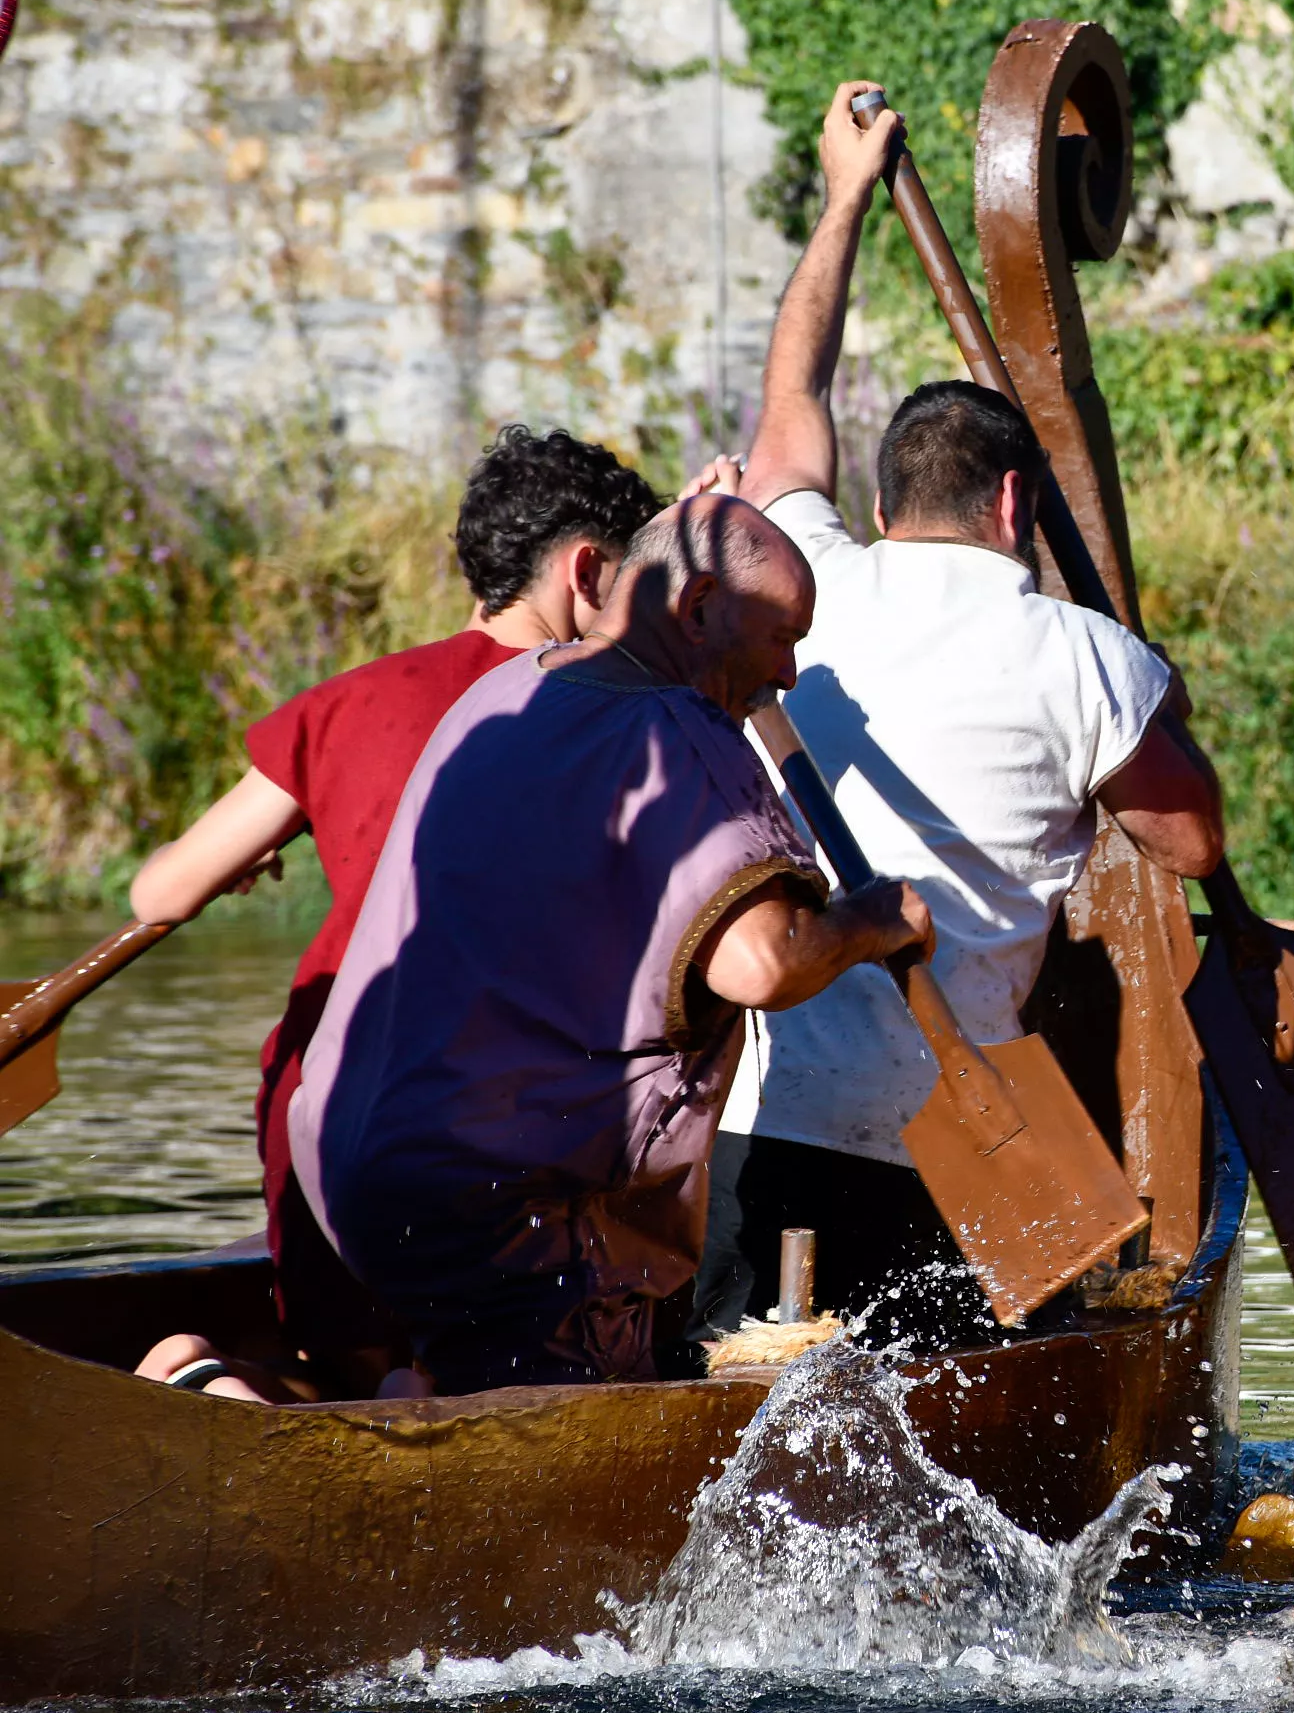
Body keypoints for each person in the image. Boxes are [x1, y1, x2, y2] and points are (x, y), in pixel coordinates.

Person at [692, 80, 1225, 1342]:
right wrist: (1158, 696)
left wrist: (842, 205)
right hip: (946, 1154)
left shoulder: (802, 587)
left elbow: (793, 405)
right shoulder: (1085, 655)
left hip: (757, 1138)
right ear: (1012, 509)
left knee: (752, 1445)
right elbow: (1194, 845)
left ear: (880, 512)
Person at [287, 493, 935, 1393]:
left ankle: (206, 1377)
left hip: (354, 1151)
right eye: (784, 634)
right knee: (562, 1449)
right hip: (501, 1194)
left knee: (462, 1381)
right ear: (700, 606)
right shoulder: (677, 729)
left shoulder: (510, 686)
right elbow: (763, 960)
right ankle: (215, 1385)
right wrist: (873, 922)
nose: (789, 674)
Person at [126, 429, 659, 1396]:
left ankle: (204, 1378)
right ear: (585, 571)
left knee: (356, 1374)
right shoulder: (600, 714)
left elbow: (160, 893)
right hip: (487, 1113)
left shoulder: (346, 703)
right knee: (461, 1379)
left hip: (318, 1094)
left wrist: (282, 836)